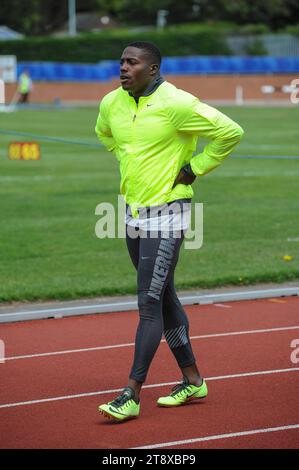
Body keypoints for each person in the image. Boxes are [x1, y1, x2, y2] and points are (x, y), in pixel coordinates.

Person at [95, 41, 244, 421]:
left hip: (168, 215)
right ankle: (193, 379)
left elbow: (230, 132)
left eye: (132, 62)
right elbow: (105, 134)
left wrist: (194, 168)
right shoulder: (112, 103)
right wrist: (128, 161)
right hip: (130, 213)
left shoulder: (177, 104)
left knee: (148, 303)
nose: (123, 68)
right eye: (122, 62)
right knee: (162, 298)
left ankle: (130, 392)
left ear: (154, 69)